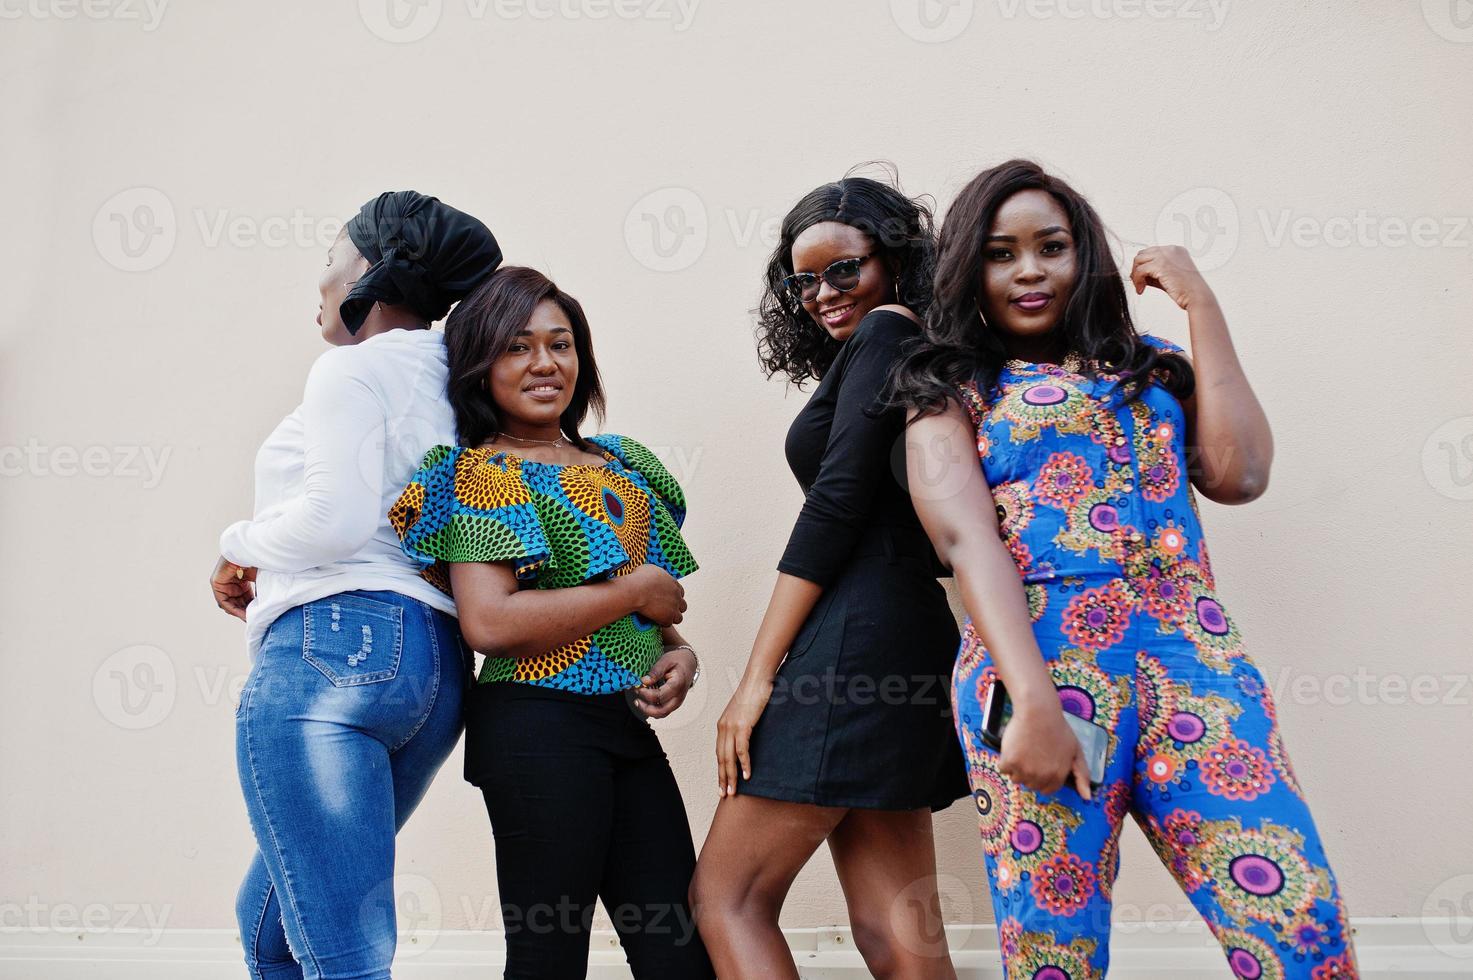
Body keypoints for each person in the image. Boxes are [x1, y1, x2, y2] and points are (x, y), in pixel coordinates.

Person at [895, 159, 1359, 978]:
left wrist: (1200, 305)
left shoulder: (1151, 368)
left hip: (1194, 659)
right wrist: (1030, 697)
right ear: (972, 267)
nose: (1030, 270)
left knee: (1298, 919)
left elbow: (1239, 475)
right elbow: (965, 542)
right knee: (1055, 952)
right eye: (1002, 253)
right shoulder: (950, 386)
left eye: (1052, 247)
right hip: (1040, 667)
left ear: (1085, 259)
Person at [388, 266, 714, 979]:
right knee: (549, 957)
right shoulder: (480, 474)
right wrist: (635, 596)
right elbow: (492, 622)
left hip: (622, 726)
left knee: (682, 953)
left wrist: (678, 654)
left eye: (560, 344)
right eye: (517, 346)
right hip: (536, 727)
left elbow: (644, 601)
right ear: (481, 365)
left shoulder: (619, 465)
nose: (545, 362)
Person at [211, 190, 502, 979]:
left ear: (370, 268)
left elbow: (334, 523)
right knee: (272, 926)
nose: (321, 272)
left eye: (330, 253)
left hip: (333, 649)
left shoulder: (352, 369)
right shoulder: (465, 378)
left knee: (345, 958)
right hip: (435, 672)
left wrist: (236, 544)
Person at [689, 173, 967, 980]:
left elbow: (837, 507)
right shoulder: (899, 349)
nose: (821, 293)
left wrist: (754, 681)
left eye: (842, 268)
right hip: (901, 637)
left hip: (856, 637)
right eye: (801, 280)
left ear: (896, 260)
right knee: (896, 932)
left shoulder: (886, 330)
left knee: (726, 898)